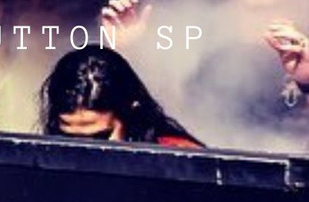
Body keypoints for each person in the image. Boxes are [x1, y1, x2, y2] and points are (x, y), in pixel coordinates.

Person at [42, 45, 203, 148]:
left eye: (100, 139)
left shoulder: (183, 163)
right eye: (69, 139)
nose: (85, 151)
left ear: (130, 114)